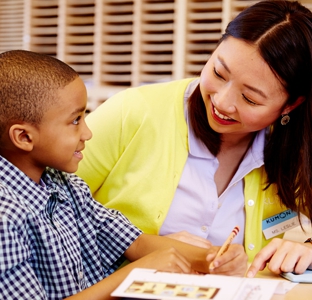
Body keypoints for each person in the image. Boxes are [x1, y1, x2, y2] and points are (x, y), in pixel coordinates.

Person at [76, 0, 312, 278]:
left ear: (290, 106)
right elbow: (37, 210)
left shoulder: (296, 149)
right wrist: (139, 247)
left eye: (249, 98)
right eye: (218, 72)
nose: (222, 102)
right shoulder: (133, 112)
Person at [0, 50, 247, 300]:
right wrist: (135, 275)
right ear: (24, 137)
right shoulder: (5, 217)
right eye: (75, 121)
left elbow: (134, 241)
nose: (87, 133)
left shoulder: (67, 186)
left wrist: (214, 259)